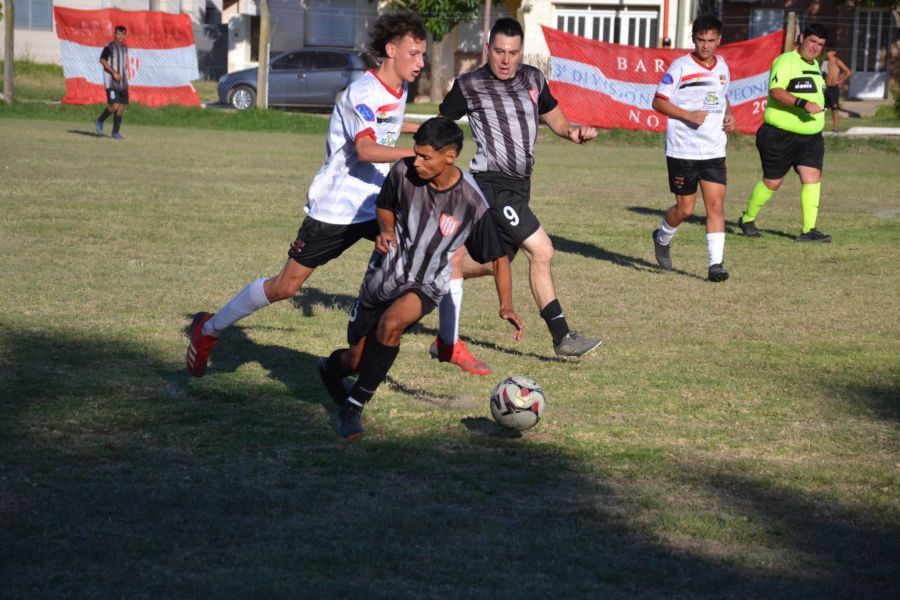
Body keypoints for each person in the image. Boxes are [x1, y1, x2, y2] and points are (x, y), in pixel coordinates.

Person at [186, 12, 427, 377]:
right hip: (336, 208)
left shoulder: (400, 89)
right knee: (286, 286)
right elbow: (366, 149)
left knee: (420, 251)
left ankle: (435, 342)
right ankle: (209, 329)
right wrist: (419, 152)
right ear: (391, 50)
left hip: (374, 204)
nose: (421, 62)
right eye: (414, 53)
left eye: (423, 54)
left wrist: (430, 130)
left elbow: (390, 124)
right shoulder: (362, 92)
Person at [318, 117, 523, 439]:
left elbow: (498, 256)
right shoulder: (403, 171)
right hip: (385, 273)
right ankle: (328, 371)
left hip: (427, 282)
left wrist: (506, 304)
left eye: (426, 157)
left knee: (392, 325)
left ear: (450, 156)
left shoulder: (471, 201)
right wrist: (385, 229)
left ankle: (353, 407)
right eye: (416, 153)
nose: (418, 162)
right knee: (355, 359)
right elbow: (385, 207)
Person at [430, 17, 602, 376]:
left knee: (497, 258)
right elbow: (441, 126)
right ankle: (562, 336)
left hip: (520, 187)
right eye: (499, 52)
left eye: (513, 52)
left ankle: (444, 272)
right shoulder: (470, 84)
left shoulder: (533, 79)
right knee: (542, 249)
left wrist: (573, 131)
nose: (506, 60)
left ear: (521, 52)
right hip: (491, 184)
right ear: (488, 48)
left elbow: (555, 118)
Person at [651, 14, 735, 282]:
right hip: (683, 151)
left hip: (713, 149)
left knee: (716, 206)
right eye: (701, 40)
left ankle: (715, 266)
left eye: (711, 40)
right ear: (693, 39)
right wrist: (687, 115)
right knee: (685, 209)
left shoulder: (723, 67)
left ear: (719, 40)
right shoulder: (679, 68)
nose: (706, 45)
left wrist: (728, 115)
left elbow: (723, 97)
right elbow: (658, 102)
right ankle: (662, 237)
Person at [738, 24, 832, 243]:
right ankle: (747, 218)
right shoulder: (784, 61)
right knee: (773, 183)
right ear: (801, 38)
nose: (815, 47)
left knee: (812, 177)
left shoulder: (816, 66)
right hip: (779, 135)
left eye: (820, 44)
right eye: (812, 41)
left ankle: (809, 230)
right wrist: (802, 103)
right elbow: (776, 91)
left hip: (810, 138)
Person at [95, 25, 129, 140]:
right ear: (114, 34)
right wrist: (113, 72)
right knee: (114, 105)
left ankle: (115, 132)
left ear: (125, 35)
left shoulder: (125, 48)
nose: (120, 36)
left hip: (122, 82)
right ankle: (100, 120)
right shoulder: (110, 47)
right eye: (118, 34)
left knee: (120, 108)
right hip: (111, 81)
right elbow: (102, 60)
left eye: (122, 34)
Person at [821, 49, 852, 133]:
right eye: (827, 51)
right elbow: (822, 74)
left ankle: (835, 129)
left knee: (834, 108)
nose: (828, 53)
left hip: (833, 87)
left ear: (834, 52)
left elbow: (848, 72)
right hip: (825, 87)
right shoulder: (825, 62)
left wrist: (840, 81)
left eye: (830, 51)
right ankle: (820, 127)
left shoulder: (837, 61)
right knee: (823, 108)